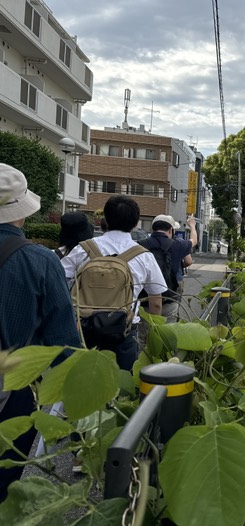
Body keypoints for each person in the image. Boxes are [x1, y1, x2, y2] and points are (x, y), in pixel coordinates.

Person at [0, 163, 81, 501]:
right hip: (13, 386)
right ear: (21, 210)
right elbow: (63, 343)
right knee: (4, 479)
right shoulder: (38, 260)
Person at [61, 195, 167, 371]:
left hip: (84, 330)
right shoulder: (144, 256)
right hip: (124, 333)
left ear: (106, 219)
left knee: (83, 380)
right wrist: (151, 335)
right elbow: (156, 302)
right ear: (136, 223)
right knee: (122, 383)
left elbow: (59, 279)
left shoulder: (83, 249)